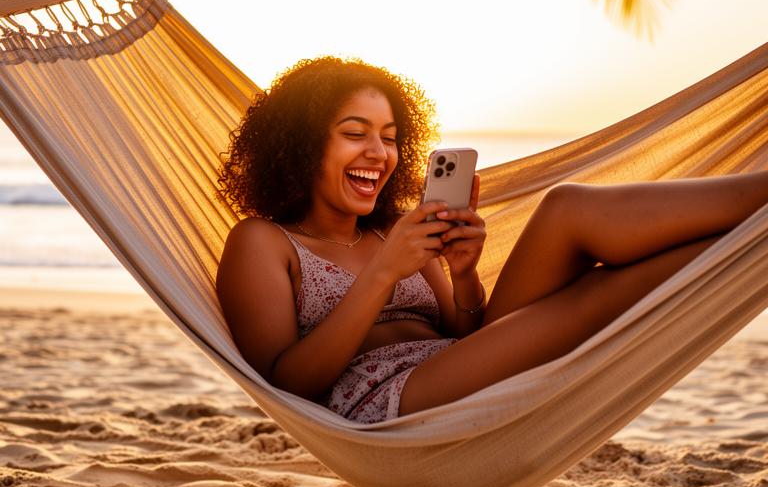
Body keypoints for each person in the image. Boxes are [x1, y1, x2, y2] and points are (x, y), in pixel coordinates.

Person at [215, 56, 768, 424]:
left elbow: (466, 332)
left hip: (457, 363)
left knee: (565, 206)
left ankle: (755, 221)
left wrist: (463, 274)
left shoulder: (393, 228)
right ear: (300, 146)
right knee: (594, 299)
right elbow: (285, 384)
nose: (379, 154)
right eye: (354, 134)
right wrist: (384, 271)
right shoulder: (264, 242)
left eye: (389, 138)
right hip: (381, 401)